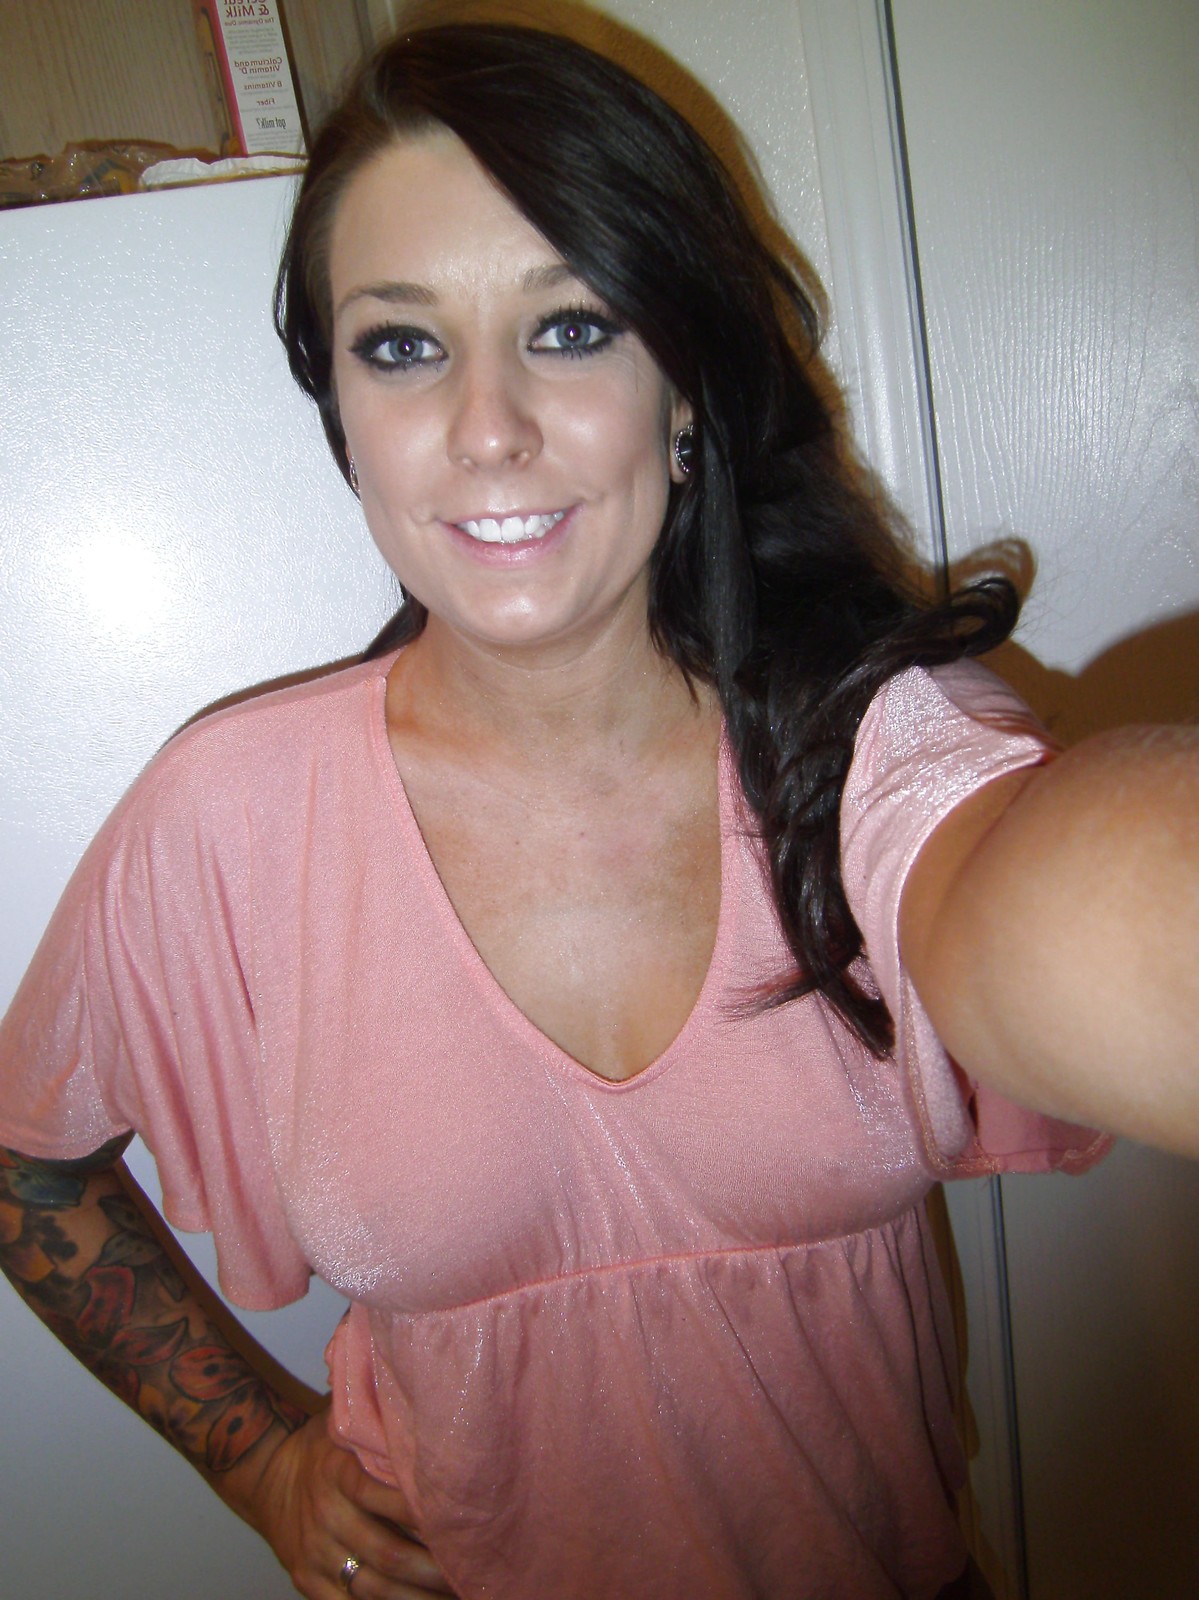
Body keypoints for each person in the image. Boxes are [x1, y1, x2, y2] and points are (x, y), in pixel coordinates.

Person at [0, 20, 1195, 1600]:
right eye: (401, 345)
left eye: (570, 328)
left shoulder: (864, 752)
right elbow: (27, 1160)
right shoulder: (225, 819)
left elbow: (1083, 907)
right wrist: (259, 1458)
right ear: (339, 408)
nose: (487, 426)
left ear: (684, 388)